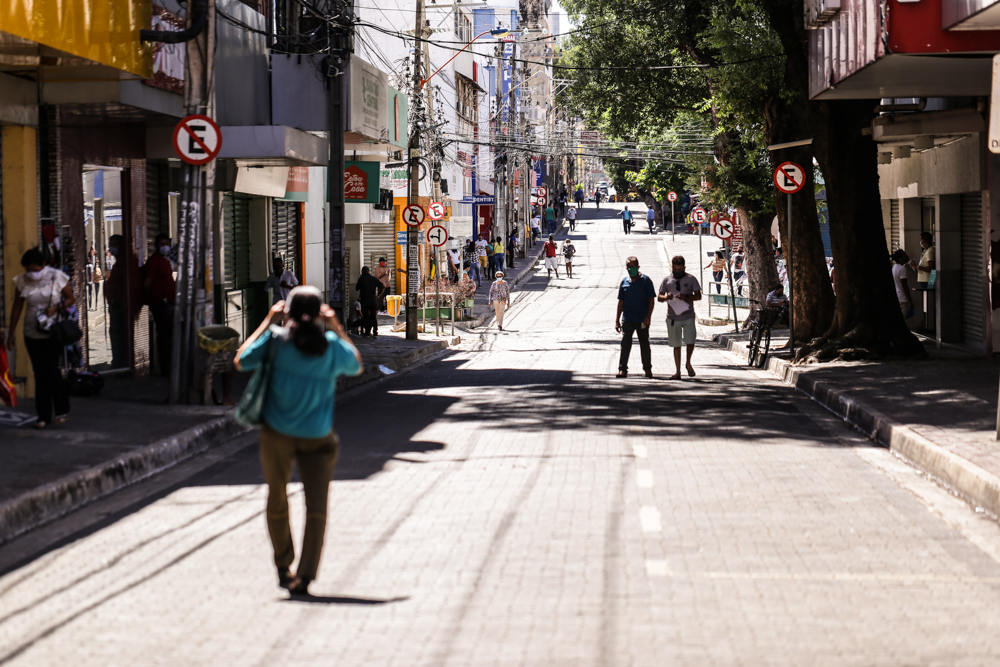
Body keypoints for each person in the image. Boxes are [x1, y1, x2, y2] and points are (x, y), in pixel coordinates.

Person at [234, 286, 363, 597]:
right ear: (320, 311)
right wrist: (336, 327)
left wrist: (267, 321)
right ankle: (305, 576)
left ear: (288, 312)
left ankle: (283, 564)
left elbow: (241, 361)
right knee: (316, 508)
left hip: (277, 434)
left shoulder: (276, 341)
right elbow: (356, 364)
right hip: (318, 436)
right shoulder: (332, 345)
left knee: (277, 497)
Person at [3, 248, 75, 428]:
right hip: (31, 333)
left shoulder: (56, 277)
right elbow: (17, 308)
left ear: (43, 265)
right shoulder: (22, 281)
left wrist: (55, 308)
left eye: (35, 270)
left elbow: (70, 298)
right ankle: (43, 416)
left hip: (53, 332)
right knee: (39, 373)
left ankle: (61, 410)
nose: (32, 274)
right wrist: (11, 333)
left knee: (51, 369)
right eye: (28, 270)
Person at [658, 255, 702, 380]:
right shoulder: (667, 280)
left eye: (679, 270)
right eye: (675, 270)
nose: (677, 272)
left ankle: (688, 362)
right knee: (676, 344)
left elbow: (698, 296)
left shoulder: (691, 279)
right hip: (673, 318)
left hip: (688, 316)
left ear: (684, 267)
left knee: (690, 341)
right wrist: (667, 297)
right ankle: (677, 371)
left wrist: (686, 297)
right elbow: (659, 297)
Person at [103, 234, 141, 369]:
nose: (111, 248)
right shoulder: (120, 262)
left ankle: (120, 361)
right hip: (117, 303)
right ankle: (118, 360)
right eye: (110, 245)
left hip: (120, 305)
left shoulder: (126, 261)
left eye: (114, 245)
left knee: (118, 333)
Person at [615, 256, 655, 378]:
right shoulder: (624, 282)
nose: (631, 269)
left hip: (642, 319)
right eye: (629, 267)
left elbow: (651, 301)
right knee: (625, 344)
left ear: (638, 267)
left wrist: (648, 317)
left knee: (644, 344)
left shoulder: (646, 281)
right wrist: (617, 320)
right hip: (628, 318)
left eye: (633, 266)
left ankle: (647, 369)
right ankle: (623, 369)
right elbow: (620, 302)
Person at [143, 233, 176, 377]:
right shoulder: (154, 261)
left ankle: (170, 366)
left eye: (167, 244)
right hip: (161, 303)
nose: (165, 247)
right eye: (162, 244)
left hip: (169, 301)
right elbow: (147, 283)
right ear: (157, 245)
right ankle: (165, 368)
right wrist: (151, 298)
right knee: (163, 335)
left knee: (169, 335)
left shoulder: (166, 260)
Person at [355, 266, 387, 336]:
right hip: (373, 301)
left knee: (366, 316)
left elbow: (357, 288)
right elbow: (383, 286)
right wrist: (378, 295)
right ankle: (375, 331)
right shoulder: (373, 279)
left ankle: (367, 332)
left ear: (362, 272)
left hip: (365, 301)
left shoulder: (361, 279)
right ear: (368, 271)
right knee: (373, 317)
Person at [891, 249, 915, 319]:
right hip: (903, 299)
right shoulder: (902, 269)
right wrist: (910, 301)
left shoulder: (894, 267)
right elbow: (904, 286)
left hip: (898, 297)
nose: (906, 257)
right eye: (904, 256)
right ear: (900, 258)